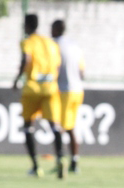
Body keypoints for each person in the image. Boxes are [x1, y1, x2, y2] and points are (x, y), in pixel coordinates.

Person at [12, 14, 64, 178]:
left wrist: (17, 79)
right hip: (50, 88)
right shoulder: (51, 43)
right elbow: (58, 65)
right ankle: (60, 158)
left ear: (27, 25)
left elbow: (26, 59)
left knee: (28, 126)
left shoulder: (28, 42)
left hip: (32, 88)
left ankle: (35, 166)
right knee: (54, 125)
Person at [51, 19, 85, 174]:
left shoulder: (54, 45)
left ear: (57, 29)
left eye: (52, 28)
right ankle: (74, 162)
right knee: (70, 127)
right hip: (78, 91)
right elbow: (82, 72)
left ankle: (60, 161)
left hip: (64, 90)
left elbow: (53, 67)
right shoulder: (75, 45)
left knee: (58, 127)